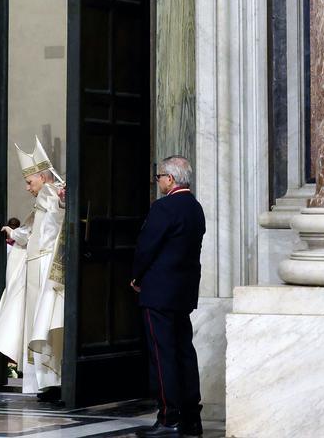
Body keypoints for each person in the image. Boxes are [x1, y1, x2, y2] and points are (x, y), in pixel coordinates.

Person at [130, 156, 206, 438]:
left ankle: (168, 418)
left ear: (170, 179)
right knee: (184, 351)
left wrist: (136, 277)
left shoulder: (164, 207)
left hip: (159, 292)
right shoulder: (195, 208)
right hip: (183, 292)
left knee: (163, 356)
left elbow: (147, 246)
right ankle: (191, 418)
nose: (158, 181)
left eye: (159, 177)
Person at [0, 137, 65, 401]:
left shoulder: (52, 195)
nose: (27, 187)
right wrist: (13, 233)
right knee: (33, 324)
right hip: (34, 268)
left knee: (43, 324)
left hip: (45, 270)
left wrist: (61, 199)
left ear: (42, 177)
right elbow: (30, 231)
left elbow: (57, 216)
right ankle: (41, 383)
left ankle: (52, 382)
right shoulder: (43, 198)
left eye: (30, 182)